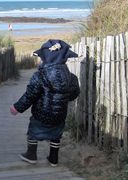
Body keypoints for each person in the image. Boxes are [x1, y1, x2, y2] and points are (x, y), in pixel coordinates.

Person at [10, 39, 80, 167]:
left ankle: (31, 155)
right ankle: (53, 158)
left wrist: (17, 108)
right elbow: (74, 94)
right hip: (60, 114)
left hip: (40, 114)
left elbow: (30, 96)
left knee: (33, 131)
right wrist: (62, 98)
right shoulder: (71, 77)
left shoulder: (40, 76)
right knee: (56, 134)